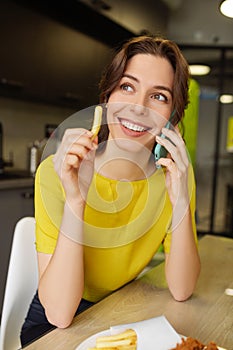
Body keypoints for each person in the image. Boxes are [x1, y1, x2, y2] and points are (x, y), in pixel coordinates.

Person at [20, 35, 201, 347]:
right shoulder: (55, 172)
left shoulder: (175, 176)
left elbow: (182, 289)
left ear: (173, 114)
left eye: (158, 97)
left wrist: (181, 200)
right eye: (127, 87)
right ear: (107, 95)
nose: (138, 107)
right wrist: (77, 198)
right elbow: (61, 315)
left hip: (120, 312)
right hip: (55, 326)